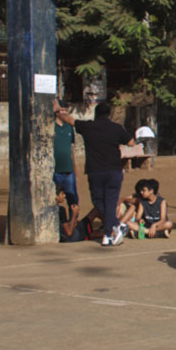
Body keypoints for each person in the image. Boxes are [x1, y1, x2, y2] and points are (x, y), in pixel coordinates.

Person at [53, 99, 135, 246]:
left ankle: (110, 232)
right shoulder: (116, 128)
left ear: (96, 114)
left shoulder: (88, 126)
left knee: (98, 201)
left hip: (96, 171)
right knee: (109, 201)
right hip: (113, 171)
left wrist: (57, 111)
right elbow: (131, 143)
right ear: (109, 115)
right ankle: (115, 227)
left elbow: (70, 120)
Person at [53, 100, 79, 220]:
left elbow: (71, 149)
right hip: (55, 171)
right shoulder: (50, 127)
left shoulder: (69, 128)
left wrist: (74, 168)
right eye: (61, 110)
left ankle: (73, 222)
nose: (64, 113)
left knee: (73, 198)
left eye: (65, 111)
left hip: (68, 171)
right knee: (55, 198)